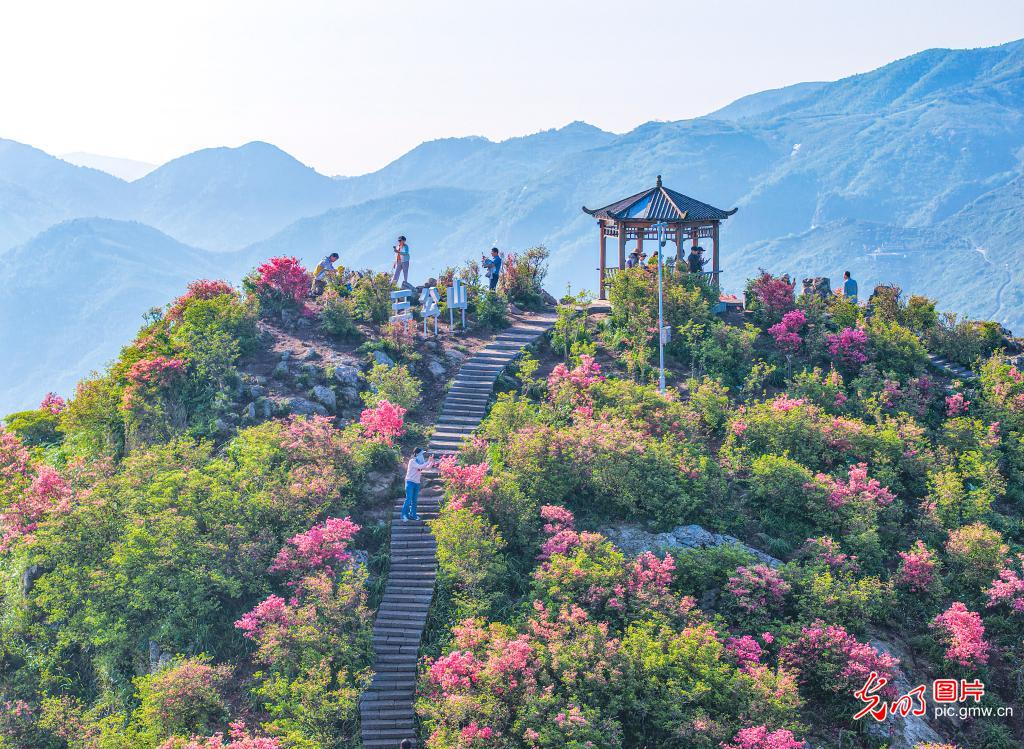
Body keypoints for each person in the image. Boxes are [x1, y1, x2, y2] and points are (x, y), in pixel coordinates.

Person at [402, 447, 436, 521]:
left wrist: (431, 462)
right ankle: (404, 515)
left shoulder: (420, 462)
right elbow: (420, 467)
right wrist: (428, 461)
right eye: (421, 454)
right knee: (408, 499)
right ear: (416, 454)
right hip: (410, 482)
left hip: (417, 483)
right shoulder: (412, 461)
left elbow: (427, 468)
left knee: (414, 500)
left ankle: (413, 515)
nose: (422, 456)